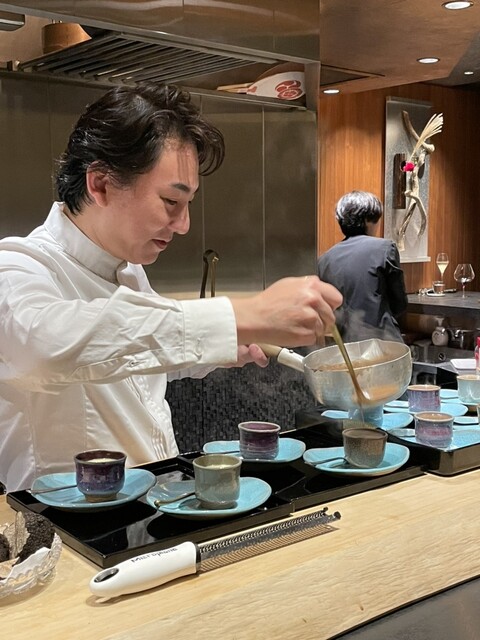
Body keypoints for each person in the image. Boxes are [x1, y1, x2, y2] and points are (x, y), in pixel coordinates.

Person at [0, 83, 342, 492]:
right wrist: (239, 315)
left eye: (188, 203)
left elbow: (130, 355)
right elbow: (46, 347)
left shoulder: (128, 269)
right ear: (101, 184)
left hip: (153, 500)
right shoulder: (17, 266)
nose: (184, 225)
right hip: (62, 522)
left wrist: (218, 348)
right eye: (170, 201)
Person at [317, 190, 407, 343]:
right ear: (367, 220)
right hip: (383, 343)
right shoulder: (384, 248)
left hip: (344, 347)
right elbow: (399, 304)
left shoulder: (324, 260)